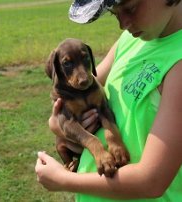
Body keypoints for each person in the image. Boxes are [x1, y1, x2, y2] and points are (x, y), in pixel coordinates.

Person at [35, 0, 182, 201]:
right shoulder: (130, 41)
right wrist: (59, 126)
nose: (123, 23)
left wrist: (63, 180)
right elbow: (67, 104)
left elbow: (151, 181)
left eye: (130, 8)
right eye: (115, 13)